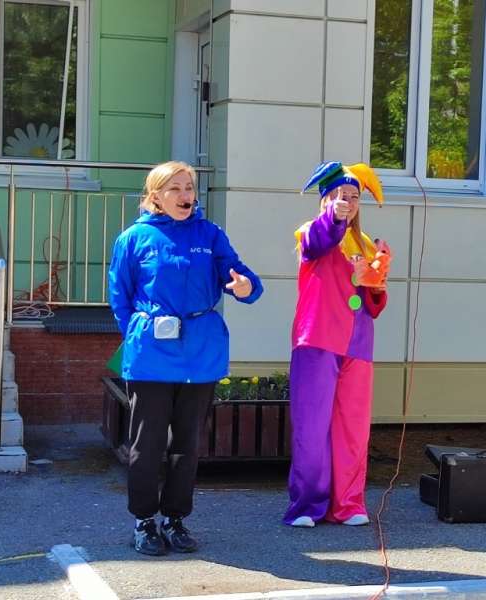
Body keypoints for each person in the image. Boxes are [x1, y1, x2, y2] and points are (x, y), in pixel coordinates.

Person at [108, 161, 263, 555]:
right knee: (147, 443)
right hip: (151, 356)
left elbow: (243, 279)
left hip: (200, 352)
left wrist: (245, 287)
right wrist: (139, 332)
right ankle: (144, 522)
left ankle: (175, 520)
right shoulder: (134, 238)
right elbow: (119, 296)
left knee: (187, 444)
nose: (185, 196)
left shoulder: (209, 235)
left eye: (189, 188)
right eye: (174, 188)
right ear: (155, 195)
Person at [283, 161, 391, 528]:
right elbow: (319, 242)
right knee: (312, 426)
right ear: (326, 199)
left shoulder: (364, 244)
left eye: (354, 196)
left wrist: (376, 282)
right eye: (339, 195)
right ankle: (307, 505)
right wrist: (334, 217)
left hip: (358, 344)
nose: (348, 201)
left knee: (353, 428)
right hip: (317, 338)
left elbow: (373, 304)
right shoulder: (312, 231)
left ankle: (348, 503)